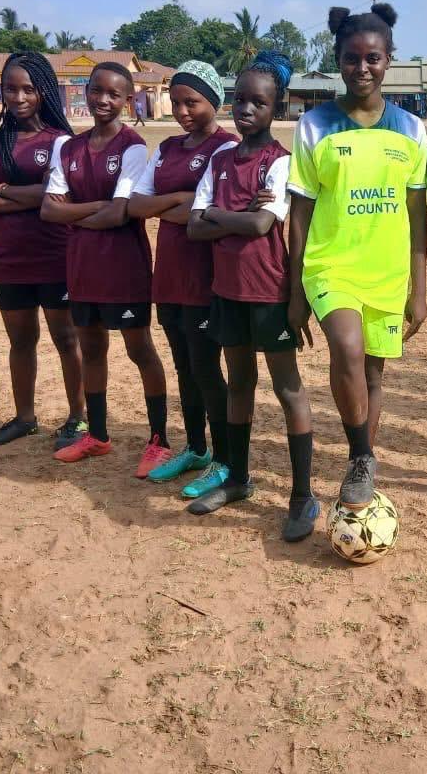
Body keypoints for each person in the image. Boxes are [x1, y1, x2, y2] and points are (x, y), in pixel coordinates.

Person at [287, 3, 427, 509]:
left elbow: (417, 213)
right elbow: (300, 212)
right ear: (338, 61)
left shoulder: (411, 129)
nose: (362, 68)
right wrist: (295, 292)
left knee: (372, 373)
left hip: (386, 271)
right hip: (331, 267)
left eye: (373, 58)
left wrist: (419, 289)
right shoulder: (314, 125)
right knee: (346, 347)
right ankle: (362, 456)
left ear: (389, 59)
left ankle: (361, 458)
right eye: (352, 58)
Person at [186, 51, 318, 540]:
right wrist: (238, 215)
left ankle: (302, 496)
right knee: (239, 382)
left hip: (267, 291)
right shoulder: (220, 160)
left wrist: (222, 216)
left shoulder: (280, 162)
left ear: (276, 109)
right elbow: (193, 227)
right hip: (227, 291)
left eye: (258, 102)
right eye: (239, 99)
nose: (245, 109)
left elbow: (263, 224)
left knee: (287, 389)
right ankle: (238, 480)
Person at [41, 62, 169, 470]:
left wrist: (75, 213)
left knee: (139, 349)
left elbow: (120, 214)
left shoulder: (132, 147)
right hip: (81, 266)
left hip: (123, 267)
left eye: (114, 94)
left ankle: (159, 440)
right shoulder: (69, 148)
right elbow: (48, 210)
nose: (103, 100)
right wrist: (100, 206)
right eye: (96, 90)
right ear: (86, 91)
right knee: (92, 349)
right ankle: (97, 435)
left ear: (128, 100)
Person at [0, 52, 85, 450]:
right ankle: (25, 417)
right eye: (10, 89)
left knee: (66, 339)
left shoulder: (60, 141)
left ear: (44, 92)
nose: (18, 98)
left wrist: (4, 193)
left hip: (55, 254)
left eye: (28, 89)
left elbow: (55, 195)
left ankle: (77, 418)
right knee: (20, 341)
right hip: (9, 259)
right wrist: (27, 196)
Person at [129, 61, 236, 489]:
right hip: (169, 275)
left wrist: (175, 204)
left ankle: (224, 460)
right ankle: (196, 447)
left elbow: (209, 208)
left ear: (215, 101)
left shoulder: (226, 148)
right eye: (175, 103)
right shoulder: (169, 148)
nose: (182, 111)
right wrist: (181, 200)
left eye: (192, 102)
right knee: (183, 367)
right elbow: (136, 205)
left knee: (206, 368)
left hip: (205, 275)